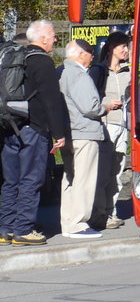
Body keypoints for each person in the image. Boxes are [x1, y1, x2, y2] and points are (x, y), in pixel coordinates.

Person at [0, 20, 69, 246]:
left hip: (10, 126)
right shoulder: (41, 61)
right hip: (34, 129)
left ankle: (5, 229)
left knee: (11, 180)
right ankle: (24, 229)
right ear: (42, 38)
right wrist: (59, 133)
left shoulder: (14, 58)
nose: (55, 39)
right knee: (31, 178)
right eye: (52, 35)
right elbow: (51, 101)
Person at [58, 40, 120, 240]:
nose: (93, 56)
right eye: (91, 52)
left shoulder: (62, 71)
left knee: (70, 179)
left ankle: (68, 222)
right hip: (84, 133)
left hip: (69, 133)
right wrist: (106, 106)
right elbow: (90, 107)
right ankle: (79, 223)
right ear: (80, 54)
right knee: (84, 180)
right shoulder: (78, 75)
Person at [93, 31, 132, 229]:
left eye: (127, 46)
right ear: (111, 48)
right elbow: (89, 98)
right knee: (103, 171)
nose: (126, 50)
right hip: (105, 124)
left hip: (123, 126)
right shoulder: (99, 71)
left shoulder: (129, 72)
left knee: (117, 171)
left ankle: (111, 211)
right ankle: (99, 213)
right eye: (122, 46)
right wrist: (107, 103)